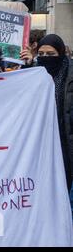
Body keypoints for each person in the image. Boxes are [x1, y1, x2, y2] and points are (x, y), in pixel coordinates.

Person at [35, 34, 73, 193]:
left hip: (66, 143)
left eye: (50, 54)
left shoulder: (69, 75)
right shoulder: (35, 73)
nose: (45, 58)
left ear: (61, 53)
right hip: (44, 143)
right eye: (41, 54)